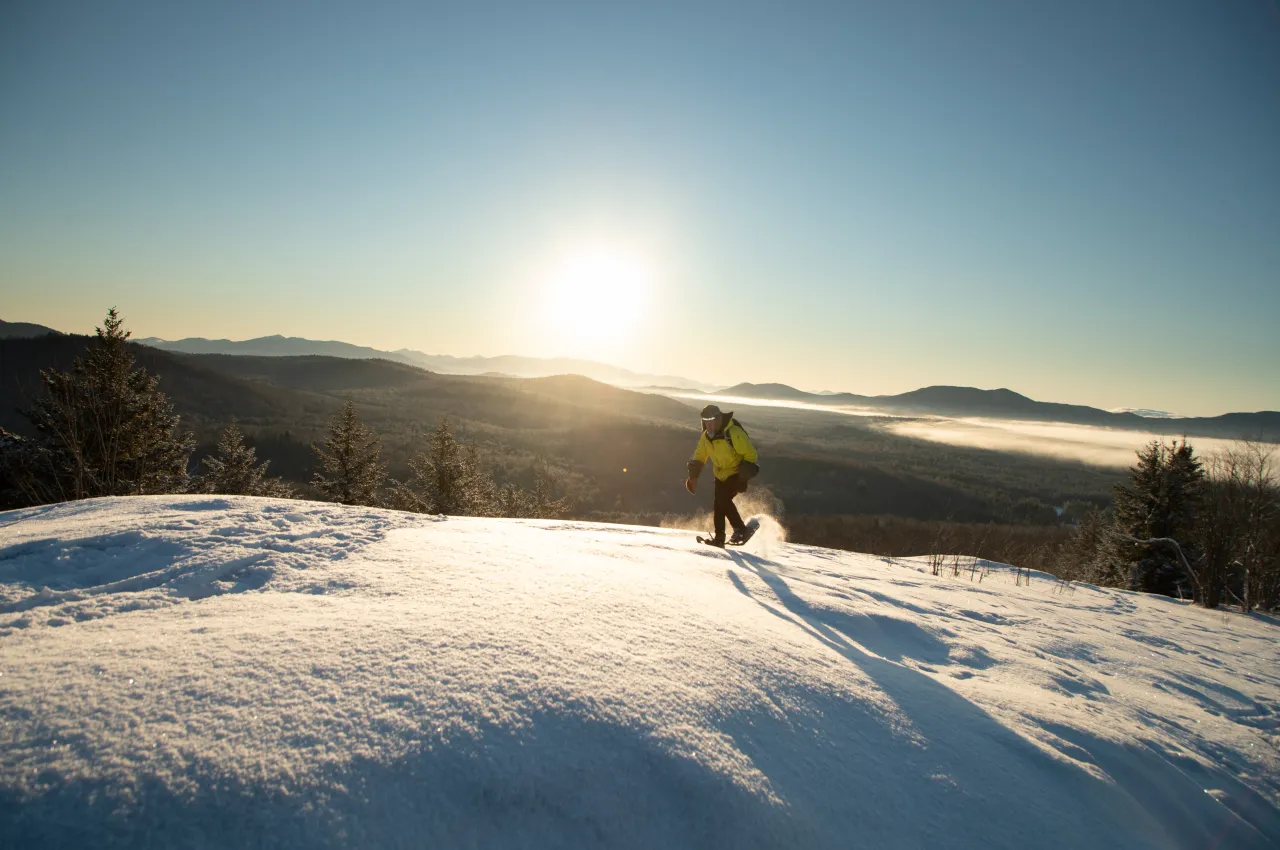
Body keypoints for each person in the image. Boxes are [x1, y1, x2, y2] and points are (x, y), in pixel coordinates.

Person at [685, 404, 760, 546]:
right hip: (720, 475)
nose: (710, 425)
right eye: (706, 422)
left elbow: (751, 454)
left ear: (719, 419)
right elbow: (699, 457)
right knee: (718, 504)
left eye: (712, 421)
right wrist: (693, 477)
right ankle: (719, 538)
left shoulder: (733, 433)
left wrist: (743, 475)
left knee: (722, 499)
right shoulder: (706, 437)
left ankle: (741, 530)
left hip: (736, 473)